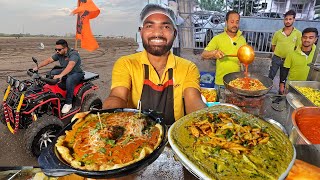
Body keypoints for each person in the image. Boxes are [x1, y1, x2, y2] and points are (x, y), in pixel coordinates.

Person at [103, 4, 206, 125]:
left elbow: (193, 100)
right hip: (134, 137)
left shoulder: (188, 67)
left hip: (173, 137)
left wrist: (204, 122)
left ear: (175, 33)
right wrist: (108, 120)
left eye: (166, 26)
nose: (157, 33)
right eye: (149, 26)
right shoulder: (126, 63)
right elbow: (118, 96)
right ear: (141, 32)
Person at [33, 39, 84, 113]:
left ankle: (68, 103)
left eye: (59, 49)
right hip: (66, 70)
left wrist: (60, 75)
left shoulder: (73, 54)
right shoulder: (59, 54)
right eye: (56, 49)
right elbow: (48, 60)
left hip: (76, 73)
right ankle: (50, 92)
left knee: (70, 80)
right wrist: (37, 67)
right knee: (51, 72)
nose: (57, 51)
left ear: (65, 48)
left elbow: (70, 66)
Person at [201, 10, 246, 94]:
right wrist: (214, 53)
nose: (234, 25)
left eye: (237, 22)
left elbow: (243, 60)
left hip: (236, 84)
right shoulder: (218, 38)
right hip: (221, 83)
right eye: (232, 22)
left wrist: (244, 61)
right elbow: (203, 55)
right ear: (226, 22)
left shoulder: (242, 39)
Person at [268, 10, 302, 94]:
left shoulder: (298, 34)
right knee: (271, 74)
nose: (288, 21)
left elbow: (297, 47)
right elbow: (273, 45)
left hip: (287, 60)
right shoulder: (278, 33)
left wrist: (291, 58)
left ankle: (280, 93)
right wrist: (277, 53)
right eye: (286, 19)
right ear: (283, 20)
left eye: (290, 19)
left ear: (294, 20)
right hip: (276, 58)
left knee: (283, 77)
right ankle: (266, 89)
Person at [279, 28, 318, 94]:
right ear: (301, 38)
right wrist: (282, 84)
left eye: (310, 38)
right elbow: (285, 69)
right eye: (305, 37)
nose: (307, 40)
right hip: (292, 87)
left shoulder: (317, 55)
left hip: (310, 89)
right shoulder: (292, 53)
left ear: (315, 39)